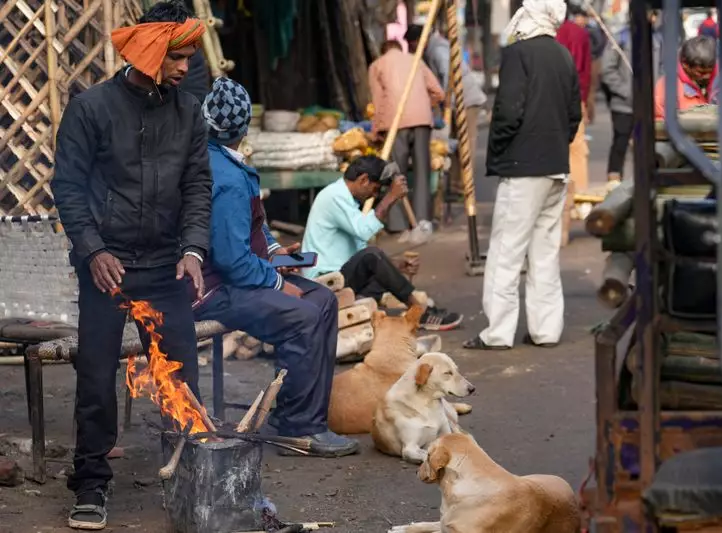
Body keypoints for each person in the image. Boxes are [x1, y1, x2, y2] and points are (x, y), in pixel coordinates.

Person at [51, 1, 210, 529]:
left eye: (190, 56)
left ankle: (189, 476)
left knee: (180, 381)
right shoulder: (91, 108)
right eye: (177, 56)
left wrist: (193, 250)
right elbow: (69, 188)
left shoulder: (189, 112)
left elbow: (197, 186)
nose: (186, 68)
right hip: (108, 272)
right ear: (149, 51)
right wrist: (93, 251)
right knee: (96, 380)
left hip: (166, 268)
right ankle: (91, 484)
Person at [192, 78, 360, 458]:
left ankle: (304, 415)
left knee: (322, 300)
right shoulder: (226, 175)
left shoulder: (226, 163)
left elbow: (249, 229)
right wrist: (274, 280)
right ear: (244, 128)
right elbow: (232, 261)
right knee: (301, 314)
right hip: (211, 290)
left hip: (233, 277)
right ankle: (296, 428)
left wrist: (273, 251)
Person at [464, 0, 581, 350]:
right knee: (544, 253)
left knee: (506, 252)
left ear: (529, 17)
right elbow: (574, 115)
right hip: (555, 166)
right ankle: (546, 330)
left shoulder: (519, 54)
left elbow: (508, 111)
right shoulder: (563, 55)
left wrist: (500, 150)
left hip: (523, 167)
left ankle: (498, 332)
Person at [302, 155, 464, 331]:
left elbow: (359, 249)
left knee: (381, 270)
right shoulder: (333, 196)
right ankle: (418, 312)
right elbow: (365, 233)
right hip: (324, 282)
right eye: (375, 189)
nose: (375, 194)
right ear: (363, 179)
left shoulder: (346, 200)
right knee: (373, 255)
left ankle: (416, 308)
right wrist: (391, 197)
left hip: (339, 275)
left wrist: (395, 266)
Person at [368, 40, 446, 232]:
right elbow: (438, 92)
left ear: (382, 51)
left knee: (396, 173)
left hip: (396, 121)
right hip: (421, 120)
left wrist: (376, 130)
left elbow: (378, 102)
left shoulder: (377, 65)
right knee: (422, 171)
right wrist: (424, 105)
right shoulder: (415, 60)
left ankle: (398, 224)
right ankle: (422, 220)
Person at [405, 22, 487, 199]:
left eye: (412, 45)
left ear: (420, 40)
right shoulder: (431, 49)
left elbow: (446, 73)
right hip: (456, 102)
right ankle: (458, 185)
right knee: (454, 144)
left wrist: (443, 100)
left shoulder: (437, 48)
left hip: (466, 100)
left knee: (466, 144)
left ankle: (466, 185)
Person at [602, 14, 662, 182]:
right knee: (620, 143)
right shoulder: (620, 38)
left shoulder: (658, 39)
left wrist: (656, 91)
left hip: (650, 104)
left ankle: (645, 182)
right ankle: (613, 182)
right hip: (624, 105)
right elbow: (608, 69)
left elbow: (664, 67)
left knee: (647, 146)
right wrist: (627, 91)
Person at [556, 3, 591, 247]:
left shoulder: (547, 33)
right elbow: (584, 71)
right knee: (577, 148)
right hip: (575, 95)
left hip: (549, 98)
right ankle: (579, 201)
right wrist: (584, 100)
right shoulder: (580, 34)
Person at [653, 36, 718, 120]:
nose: (707, 76)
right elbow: (661, 123)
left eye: (711, 71)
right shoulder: (667, 88)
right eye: (701, 72)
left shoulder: (718, 82)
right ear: (685, 65)